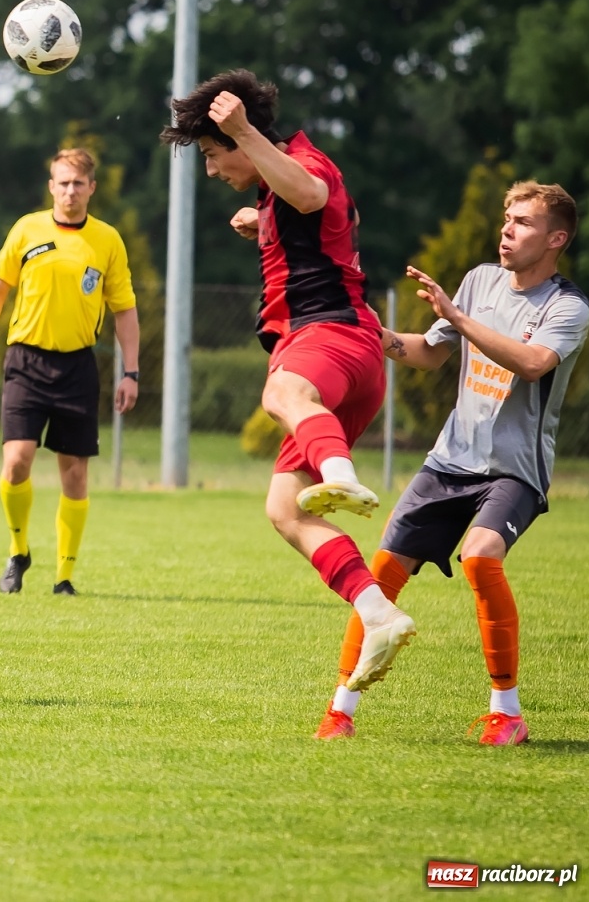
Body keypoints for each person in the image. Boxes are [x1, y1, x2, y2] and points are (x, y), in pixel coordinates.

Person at [161, 69, 414, 691]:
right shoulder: (279, 184)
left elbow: (310, 195)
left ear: (245, 141)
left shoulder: (305, 163)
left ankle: (343, 477)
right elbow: (300, 210)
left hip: (329, 340)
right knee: (282, 509)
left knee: (281, 394)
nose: (212, 171)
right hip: (349, 357)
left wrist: (243, 131)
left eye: (215, 155)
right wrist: (261, 218)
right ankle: (377, 612)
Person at [315, 182, 587, 745]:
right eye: (507, 217)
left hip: (515, 470)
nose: (508, 228)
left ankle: (506, 715)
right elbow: (427, 353)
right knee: (381, 575)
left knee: (482, 558)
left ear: (556, 238)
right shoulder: (480, 280)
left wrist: (458, 319)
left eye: (524, 222)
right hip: (449, 461)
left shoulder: (570, 307)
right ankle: (339, 713)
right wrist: (374, 331)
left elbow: (533, 364)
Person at [0, 147, 140, 595]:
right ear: (51, 187)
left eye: (78, 183)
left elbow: (125, 311)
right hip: (25, 360)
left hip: (78, 365)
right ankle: (18, 551)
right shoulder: (27, 229)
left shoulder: (107, 240)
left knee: (74, 474)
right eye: (62, 183)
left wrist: (130, 373)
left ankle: (64, 576)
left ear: (91, 188)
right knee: (17, 461)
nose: (70, 191)